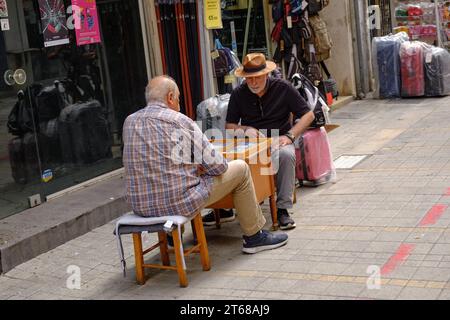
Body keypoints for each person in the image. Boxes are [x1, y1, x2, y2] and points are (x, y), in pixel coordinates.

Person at [122, 75, 288, 253]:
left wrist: (192, 166)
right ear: (170, 97)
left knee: (172, 179)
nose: (179, 103)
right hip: (177, 203)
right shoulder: (180, 121)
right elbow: (219, 166)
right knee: (241, 168)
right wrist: (199, 168)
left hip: (140, 206)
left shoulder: (129, 122)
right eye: (178, 98)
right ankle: (254, 236)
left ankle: (172, 237)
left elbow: (157, 161)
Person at [223, 53, 314, 230]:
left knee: (286, 156)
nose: (253, 83)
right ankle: (225, 207)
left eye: (257, 78)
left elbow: (308, 115)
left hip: (278, 140)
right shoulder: (238, 94)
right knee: (226, 161)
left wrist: (290, 136)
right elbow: (230, 126)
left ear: (266, 74)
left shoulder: (283, 88)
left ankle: (282, 210)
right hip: (251, 144)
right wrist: (245, 130)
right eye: (249, 79)